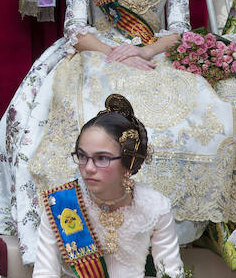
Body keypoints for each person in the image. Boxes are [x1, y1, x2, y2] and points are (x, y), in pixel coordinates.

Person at [0, 0, 236, 264]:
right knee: (85, 118)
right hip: (96, 54)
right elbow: (75, 29)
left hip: (152, 56)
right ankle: (86, 232)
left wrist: (142, 51)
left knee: (207, 116)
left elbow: (178, 29)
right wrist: (116, 52)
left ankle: (168, 226)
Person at [33, 94, 183, 277]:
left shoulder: (155, 207)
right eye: (82, 156)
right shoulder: (62, 204)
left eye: (102, 158)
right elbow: (44, 273)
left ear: (129, 162)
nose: (88, 168)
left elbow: (171, 272)